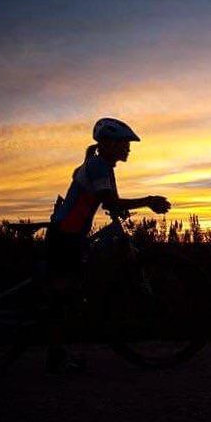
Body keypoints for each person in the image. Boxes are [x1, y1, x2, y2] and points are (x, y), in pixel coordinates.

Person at [45, 117, 171, 373]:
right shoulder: (99, 165)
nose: (128, 148)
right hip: (66, 236)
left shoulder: (102, 165)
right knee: (63, 297)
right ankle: (56, 358)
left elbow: (107, 201)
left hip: (70, 235)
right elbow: (111, 203)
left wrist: (121, 209)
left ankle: (60, 350)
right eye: (124, 143)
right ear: (108, 143)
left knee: (73, 290)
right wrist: (148, 200)